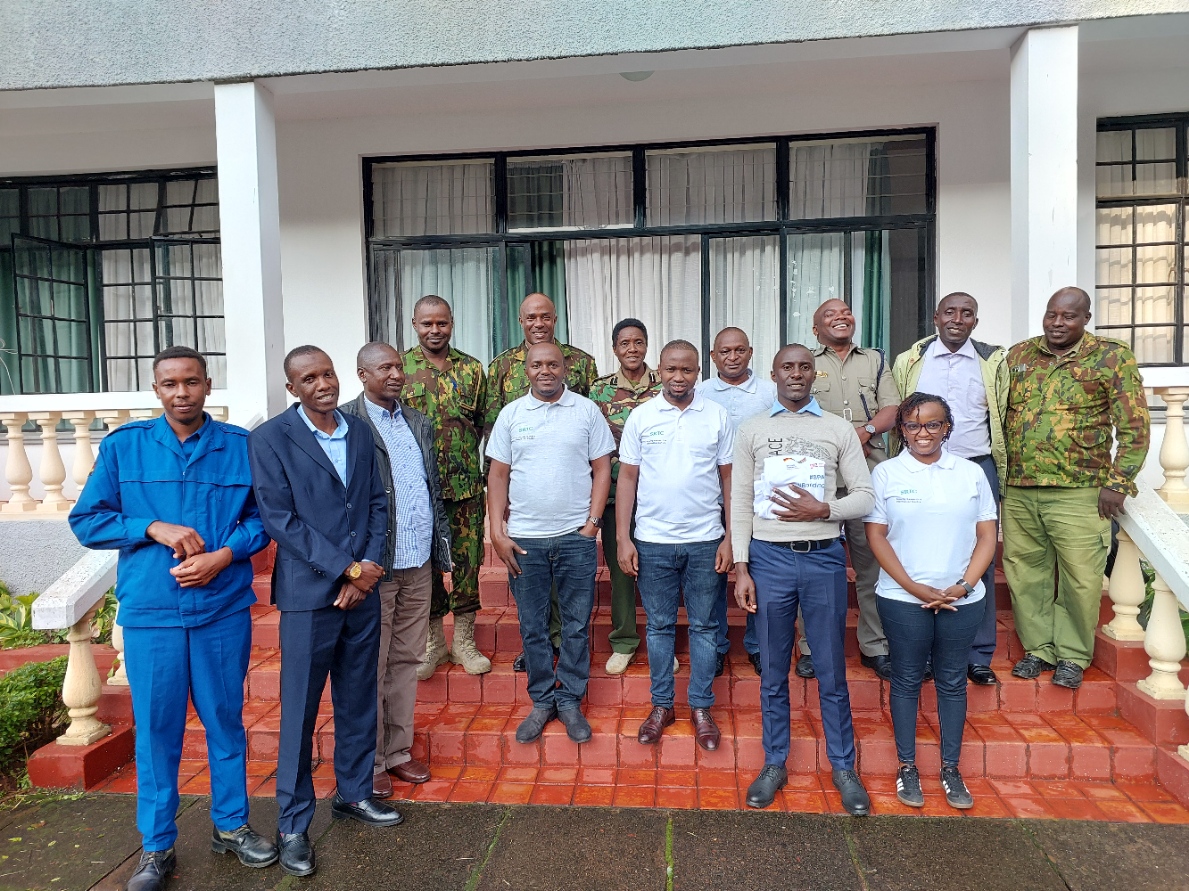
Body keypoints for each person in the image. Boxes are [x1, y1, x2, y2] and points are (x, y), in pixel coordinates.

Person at [69, 346, 275, 891]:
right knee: (158, 730)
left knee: (224, 720)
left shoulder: (241, 447)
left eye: (191, 381)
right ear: (156, 389)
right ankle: (157, 846)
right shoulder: (125, 447)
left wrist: (223, 556)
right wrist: (151, 526)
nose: (181, 392)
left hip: (221, 609)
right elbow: (87, 520)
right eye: (170, 384)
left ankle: (231, 826)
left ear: (207, 385)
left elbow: (263, 519)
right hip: (152, 614)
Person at [248, 346, 401, 878]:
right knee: (300, 711)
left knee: (358, 698)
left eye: (328, 373)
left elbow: (378, 502)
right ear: (293, 388)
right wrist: (347, 570)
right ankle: (293, 825)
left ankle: (353, 793)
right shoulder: (270, 438)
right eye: (309, 378)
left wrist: (368, 569)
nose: (323, 384)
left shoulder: (357, 431)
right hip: (310, 596)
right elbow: (279, 519)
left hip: (362, 592)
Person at [732, 344, 874, 816]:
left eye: (804, 367)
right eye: (787, 367)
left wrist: (824, 509)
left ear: (815, 375)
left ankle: (843, 767)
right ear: (773, 374)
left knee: (830, 668)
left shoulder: (837, 429)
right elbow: (740, 502)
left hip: (823, 558)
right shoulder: (753, 429)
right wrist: (741, 566)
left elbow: (865, 496)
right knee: (773, 670)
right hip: (768, 560)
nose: (796, 374)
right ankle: (774, 763)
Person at [1003, 287, 1149, 689]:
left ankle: (1071, 655)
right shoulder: (1019, 355)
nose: (1057, 323)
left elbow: (1135, 426)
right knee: (1024, 573)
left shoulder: (1111, 356)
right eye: (1052, 314)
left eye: (1068, 316)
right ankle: (1038, 649)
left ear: (1086, 318)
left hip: (1079, 488)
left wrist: (1118, 482)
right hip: (1020, 487)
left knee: (1081, 578)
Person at [865, 392, 999, 810]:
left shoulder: (970, 473)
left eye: (933, 424)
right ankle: (907, 766)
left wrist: (964, 585)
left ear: (947, 428)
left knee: (952, 681)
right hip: (902, 598)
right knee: (906, 679)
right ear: (901, 430)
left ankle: (950, 768)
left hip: (963, 598)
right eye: (912, 425)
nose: (922, 433)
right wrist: (914, 587)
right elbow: (876, 536)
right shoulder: (886, 473)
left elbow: (987, 534)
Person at [486, 342, 615, 744]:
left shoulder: (586, 411)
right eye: (537, 364)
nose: (545, 371)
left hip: (575, 537)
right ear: (526, 370)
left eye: (553, 364)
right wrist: (497, 532)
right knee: (533, 626)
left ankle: (571, 698)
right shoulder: (511, 415)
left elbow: (602, 469)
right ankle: (542, 700)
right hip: (525, 540)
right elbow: (498, 475)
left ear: (564, 369)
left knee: (575, 625)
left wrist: (592, 525)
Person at [341, 342, 453, 797]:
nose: (395, 374)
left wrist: (441, 554)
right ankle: (369, 761)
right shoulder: (347, 423)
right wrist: (353, 565)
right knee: (371, 664)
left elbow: (431, 491)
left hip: (418, 562)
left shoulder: (417, 421)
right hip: (376, 568)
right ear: (362, 374)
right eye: (384, 367)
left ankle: (398, 752)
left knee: (406, 660)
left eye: (398, 367)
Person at [617, 340, 734, 749]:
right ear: (660, 371)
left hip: (705, 540)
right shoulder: (641, 416)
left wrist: (731, 537)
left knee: (704, 626)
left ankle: (701, 707)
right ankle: (662, 705)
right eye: (671, 369)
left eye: (686, 370)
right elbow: (627, 478)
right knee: (659, 627)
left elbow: (729, 479)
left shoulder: (717, 416)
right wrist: (623, 538)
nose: (678, 377)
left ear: (698, 372)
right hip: (653, 541)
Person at [891, 292, 1008, 686]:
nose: (958, 319)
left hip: (975, 465)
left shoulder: (993, 361)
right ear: (936, 317)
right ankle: (922, 652)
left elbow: (1003, 412)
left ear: (976, 320)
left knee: (980, 558)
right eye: (950, 312)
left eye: (967, 313)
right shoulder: (911, 360)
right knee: (918, 554)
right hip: (920, 467)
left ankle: (977, 654)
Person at [486, 292, 599, 672]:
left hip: (570, 509)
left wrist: (591, 520)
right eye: (531, 317)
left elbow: (592, 442)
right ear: (521, 321)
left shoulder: (582, 364)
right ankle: (540, 657)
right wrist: (499, 516)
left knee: (572, 600)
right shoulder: (502, 370)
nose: (538, 323)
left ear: (555, 319)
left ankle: (566, 661)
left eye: (545, 316)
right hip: (523, 506)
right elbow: (495, 447)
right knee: (531, 598)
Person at [401, 295, 492, 679]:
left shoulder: (472, 369)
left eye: (442, 323)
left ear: (452, 323)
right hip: (418, 491)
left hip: (466, 490)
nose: (435, 330)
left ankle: (464, 642)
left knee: (468, 564)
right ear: (415, 324)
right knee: (426, 566)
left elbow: (485, 424)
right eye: (427, 324)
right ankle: (434, 642)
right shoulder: (400, 369)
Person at [810, 298, 899, 681]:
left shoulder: (875, 360)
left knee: (871, 566)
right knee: (813, 568)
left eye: (845, 312)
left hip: (868, 473)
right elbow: (800, 411)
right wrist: (843, 443)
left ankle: (874, 646)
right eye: (830, 314)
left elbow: (892, 408)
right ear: (816, 330)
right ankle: (810, 649)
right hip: (822, 478)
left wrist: (864, 432)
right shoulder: (807, 362)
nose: (841, 317)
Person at [696, 326, 776, 677]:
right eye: (724, 351)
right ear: (713, 356)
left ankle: (757, 646)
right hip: (710, 498)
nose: (732, 357)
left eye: (739, 350)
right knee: (712, 574)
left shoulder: (770, 393)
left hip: (759, 499)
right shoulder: (699, 393)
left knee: (759, 572)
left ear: (750, 352)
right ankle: (715, 646)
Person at [589, 318, 662, 675]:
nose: (632, 349)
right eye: (624, 343)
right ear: (615, 348)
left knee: (658, 568)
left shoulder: (666, 383)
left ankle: (660, 640)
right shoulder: (599, 390)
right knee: (621, 569)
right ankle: (623, 641)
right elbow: (593, 445)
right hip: (617, 494)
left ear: (646, 344)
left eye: (638, 342)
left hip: (659, 494)